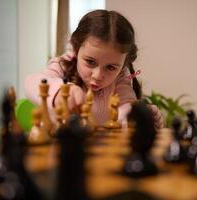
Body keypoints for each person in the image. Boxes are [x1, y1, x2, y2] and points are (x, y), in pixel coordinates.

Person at [25, 9, 163, 128]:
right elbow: (31, 82)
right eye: (90, 62)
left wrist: (137, 117)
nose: (97, 75)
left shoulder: (121, 78)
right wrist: (58, 92)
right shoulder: (62, 65)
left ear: (123, 64)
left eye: (110, 67)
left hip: (100, 153)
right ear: (76, 48)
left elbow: (125, 106)